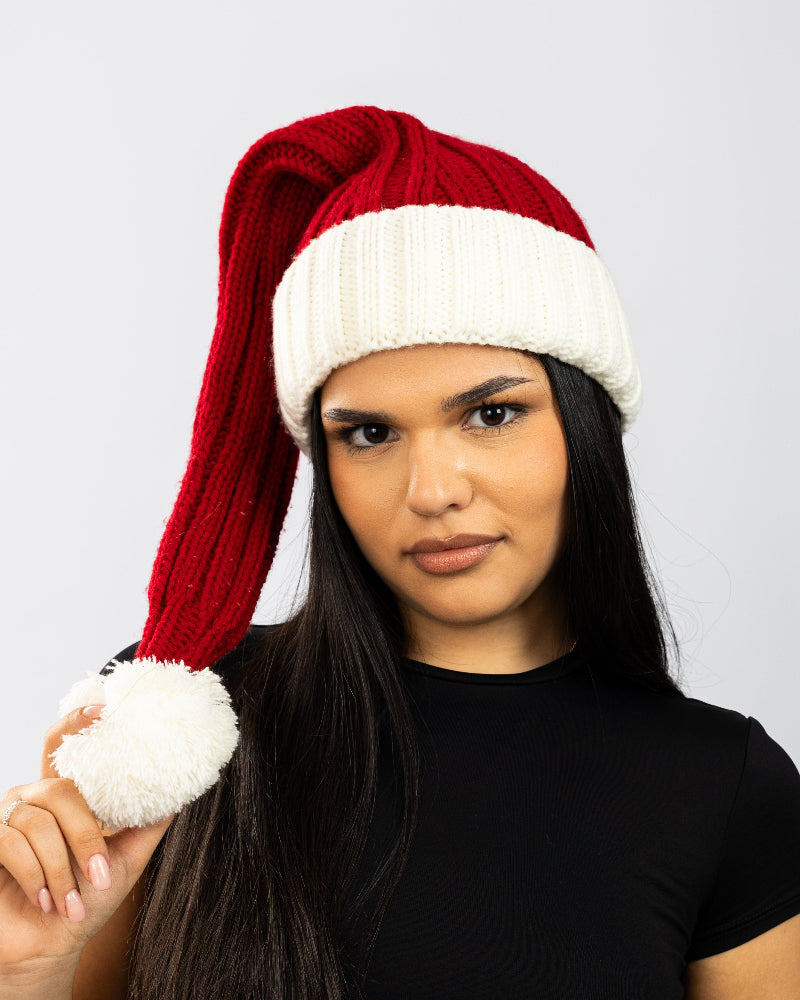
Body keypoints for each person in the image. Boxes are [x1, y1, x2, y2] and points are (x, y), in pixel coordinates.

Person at [1, 106, 799, 1000]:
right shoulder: (182, 733)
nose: (432, 490)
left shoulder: (724, 787)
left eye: (491, 414)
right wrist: (30, 970)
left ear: (586, 423)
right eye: (371, 433)